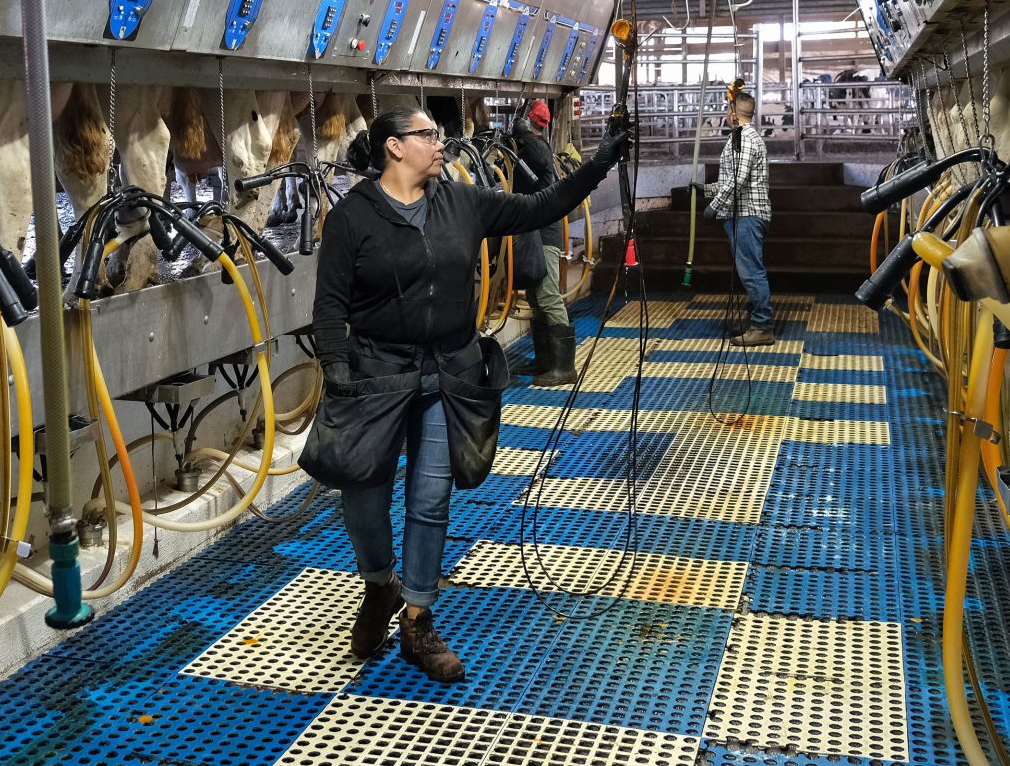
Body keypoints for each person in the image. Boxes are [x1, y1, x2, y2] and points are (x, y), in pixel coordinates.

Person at [311, 105, 632, 683]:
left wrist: (601, 163)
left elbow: (542, 207)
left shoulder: (460, 201)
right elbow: (330, 303)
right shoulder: (352, 218)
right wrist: (336, 366)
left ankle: (416, 618)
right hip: (376, 377)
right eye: (428, 135)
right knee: (362, 502)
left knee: (431, 498)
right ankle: (380, 584)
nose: (441, 143)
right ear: (393, 147)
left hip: (448, 372)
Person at [507, 99, 578, 385]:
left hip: (545, 233)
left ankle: (565, 369)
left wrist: (521, 133)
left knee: (547, 295)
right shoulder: (529, 147)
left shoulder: (538, 148)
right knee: (537, 295)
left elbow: (536, 156)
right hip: (533, 229)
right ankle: (545, 361)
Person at [706, 90, 773, 346]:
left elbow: (738, 179)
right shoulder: (742, 138)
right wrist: (707, 189)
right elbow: (730, 180)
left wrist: (714, 205)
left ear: (733, 114)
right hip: (744, 213)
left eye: (727, 110)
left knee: (752, 272)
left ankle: (762, 326)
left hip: (747, 214)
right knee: (749, 270)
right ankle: (757, 320)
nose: (725, 114)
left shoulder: (744, 139)